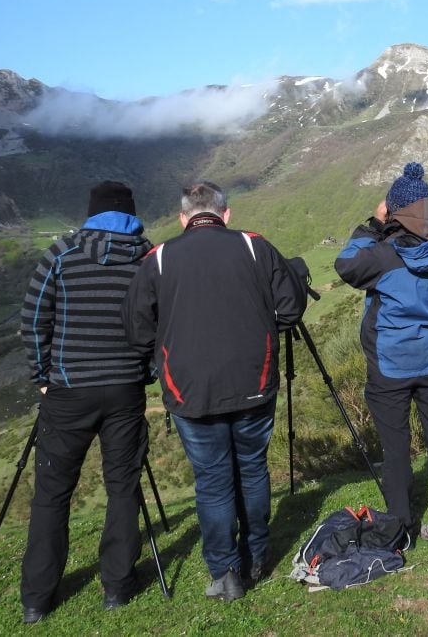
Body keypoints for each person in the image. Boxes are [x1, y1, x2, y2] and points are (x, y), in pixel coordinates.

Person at [122, 182, 304, 603]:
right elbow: (291, 308)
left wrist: (162, 354)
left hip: (189, 389)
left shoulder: (160, 258)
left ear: (184, 218)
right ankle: (257, 557)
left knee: (213, 481)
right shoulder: (256, 247)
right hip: (253, 382)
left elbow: (136, 327)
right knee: (253, 469)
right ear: (226, 213)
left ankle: (225, 573)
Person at [19, 181, 153, 624]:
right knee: (122, 487)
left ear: (91, 212)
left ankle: (38, 599)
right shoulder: (148, 256)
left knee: (53, 494)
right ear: (131, 213)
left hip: (68, 391)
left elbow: (34, 317)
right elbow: (161, 321)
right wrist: (145, 372)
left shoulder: (61, 254)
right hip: (125, 390)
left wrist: (43, 377)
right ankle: (117, 587)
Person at [334, 163, 428, 541]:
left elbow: (345, 265)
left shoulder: (383, 256)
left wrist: (373, 226)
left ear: (393, 211)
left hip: (390, 364)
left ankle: (401, 527)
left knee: (396, 448)